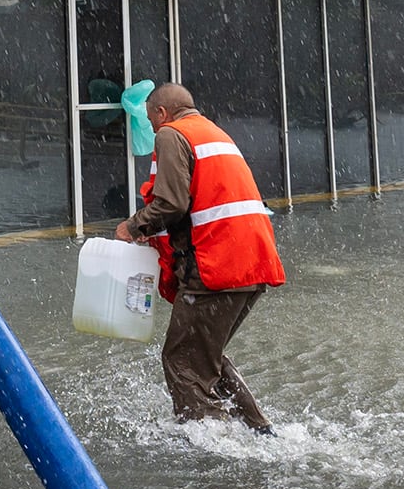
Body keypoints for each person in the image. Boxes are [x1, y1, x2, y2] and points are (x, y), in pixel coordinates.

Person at [113, 83, 283, 430]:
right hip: (253, 263)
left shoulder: (173, 134)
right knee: (207, 354)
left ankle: (208, 444)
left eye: (151, 120)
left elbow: (171, 203)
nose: (152, 129)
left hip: (217, 266)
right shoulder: (213, 132)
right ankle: (259, 430)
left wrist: (133, 227)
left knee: (182, 361)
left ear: (161, 113)